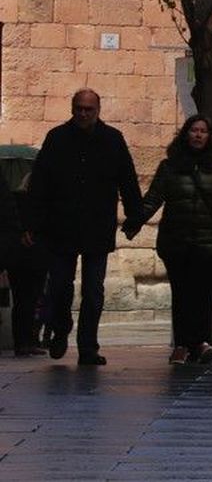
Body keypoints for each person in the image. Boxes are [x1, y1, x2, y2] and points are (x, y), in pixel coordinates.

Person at [25, 89, 142, 365]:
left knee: (93, 290)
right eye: (79, 108)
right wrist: (31, 223)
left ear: (98, 110)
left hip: (97, 226)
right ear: (72, 108)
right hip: (60, 226)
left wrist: (134, 217)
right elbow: (39, 183)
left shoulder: (112, 140)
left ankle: (88, 346)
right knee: (60, 286)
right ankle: (61, 326)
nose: (83, 113)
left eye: (89, 109)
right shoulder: (57, 138)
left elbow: (127, 178)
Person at [124, 114, 212, 365]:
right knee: (182, 293)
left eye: (203, 131)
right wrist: (134, 222)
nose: (198, 135)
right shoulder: (170, 167)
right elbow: (154, 198)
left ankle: (200, 342)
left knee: (201, 292)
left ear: (209, 137)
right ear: (185, 134)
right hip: (176, 239)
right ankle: (184, 344)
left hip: (207, 241)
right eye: (194, 130)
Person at [1, 171, 47, 356]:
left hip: (20, 258)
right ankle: (26, 341)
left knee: (23, 301)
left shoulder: (14, 199)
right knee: (30, 300)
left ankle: (23, 342)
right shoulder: (35, 203)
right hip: (31, 257)